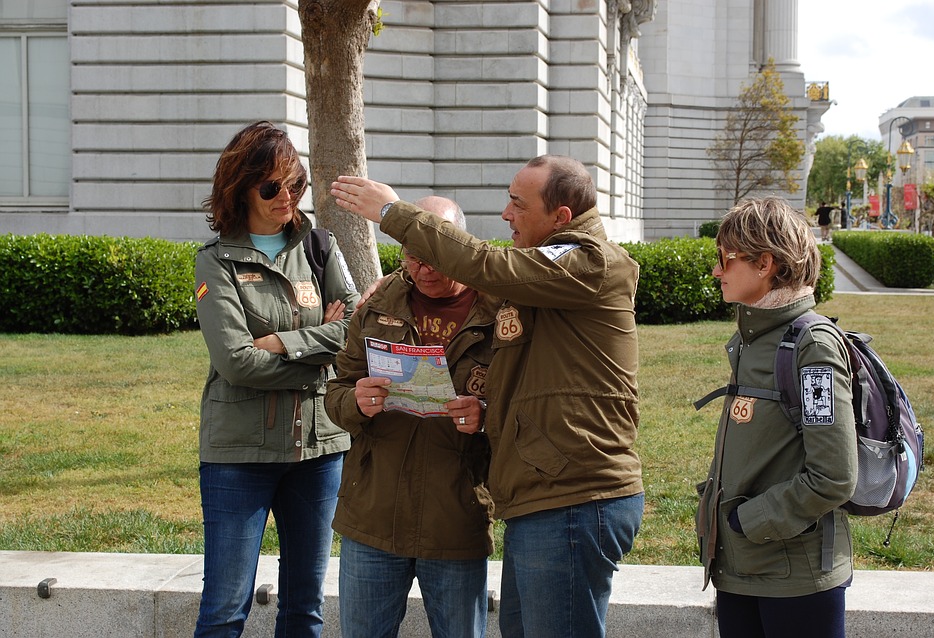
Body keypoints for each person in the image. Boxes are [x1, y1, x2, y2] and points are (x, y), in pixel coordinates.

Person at [330, 155, 645, 638]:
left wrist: (393, 212)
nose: (506, 214)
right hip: (539, 494)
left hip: (573, 495)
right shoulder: (525, 281)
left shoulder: (588, 260)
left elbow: (484, 265)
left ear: (561, 216)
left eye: (517, 203)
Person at [193, 121, 359, 637]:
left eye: (297, 185)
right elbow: (237, 362)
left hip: (318, 448)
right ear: (240, 188)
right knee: (225, 608)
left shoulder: (321, 247)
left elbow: (354, 329)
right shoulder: (215, 262)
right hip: (238, 454)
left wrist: (285, 343)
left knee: (305, 606)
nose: (287, 197)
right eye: (272, 187)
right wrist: (319, 348)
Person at [325, 196, 498, 638]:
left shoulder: (499, 311)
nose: (423, 270)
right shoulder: (382, 300)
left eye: (434, 257)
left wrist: (484, 415)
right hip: (373, 515)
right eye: (412, 257)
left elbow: (526, 406)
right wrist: (355, 401)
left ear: (460, 247)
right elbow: (337, 390)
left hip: (455, 515)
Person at [695, 196, 858, 638]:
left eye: (724, 259)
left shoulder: (812, 346)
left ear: (765, 263)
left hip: (795, 580)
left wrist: (748, 521)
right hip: (740, 567)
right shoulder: (753, 339)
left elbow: (834, 476)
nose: (716, 271)